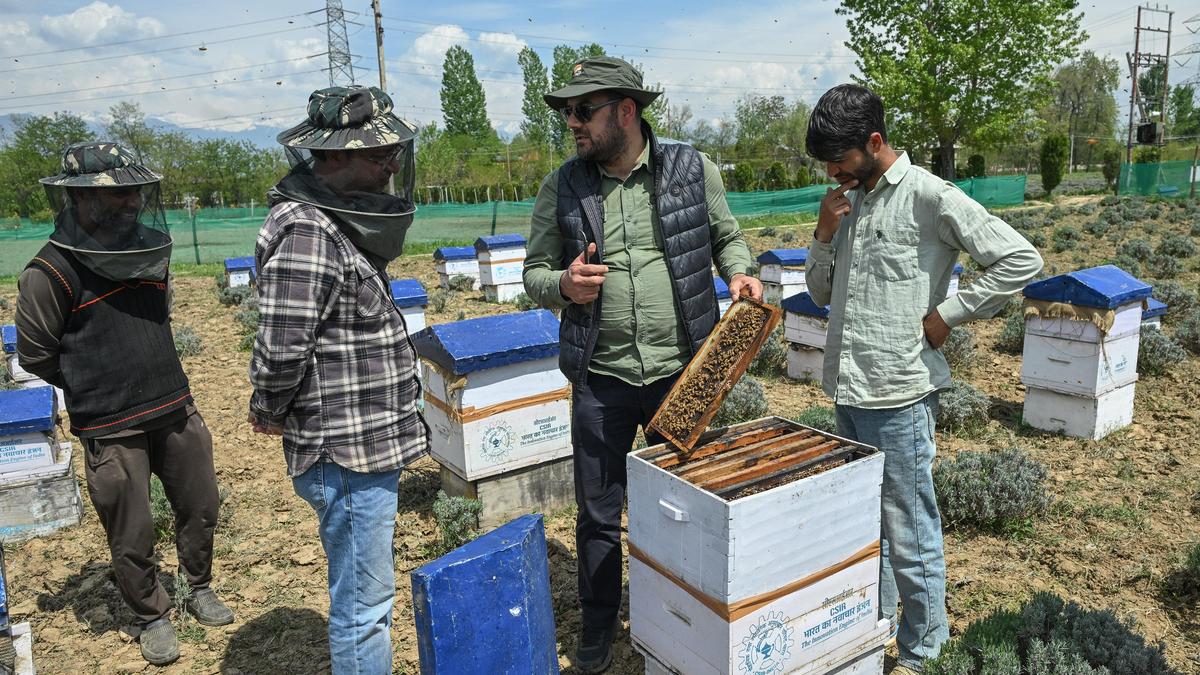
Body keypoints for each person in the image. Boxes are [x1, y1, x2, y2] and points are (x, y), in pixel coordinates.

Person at [523, 56, 762, 674]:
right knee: (598, 516)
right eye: (567, 112)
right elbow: (533, 273)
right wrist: (563, 285)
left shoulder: (691, 168)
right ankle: (600, 627)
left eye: (583, 110)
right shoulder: (564, 185)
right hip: (601, 380)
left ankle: (683, 621)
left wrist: (740, 271)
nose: (571, 122)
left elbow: (726, 236)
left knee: (686, 510)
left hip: (683, 374)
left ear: (625, 111)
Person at [804, 84, 1044, 673]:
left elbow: (1021, 259)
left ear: (875, 142)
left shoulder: (930, 197)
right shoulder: (846, 202)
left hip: (900, 393)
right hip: (849, 389)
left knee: (909, 530)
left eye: (840, 159)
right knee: (868, 526)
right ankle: (875, 631)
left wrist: (948, 315)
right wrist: (823, 235)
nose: (833, 172)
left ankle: (922, 650)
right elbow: (819, 294)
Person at [14, 142, 233, 667]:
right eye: (116, 193)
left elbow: (161, 318)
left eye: (134, 190)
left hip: (173, 405)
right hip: (109, 424)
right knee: (130, 528)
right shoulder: (49, 273)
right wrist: (94, 384)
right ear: (79, 198)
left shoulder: (147, 251)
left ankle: (198, 584)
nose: (130, 201)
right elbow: (37, 355)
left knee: (201, 505)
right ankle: (151, 615)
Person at [247, 85, 428, 675]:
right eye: (379, 155)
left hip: (363, 447)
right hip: (346, 453)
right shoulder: (308, 234)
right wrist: (271, 409)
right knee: (364, 609)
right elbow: (281, 348)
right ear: (333, 158)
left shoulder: (333, 225)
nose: (392, 164)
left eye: (394, 151)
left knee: (366, 600)